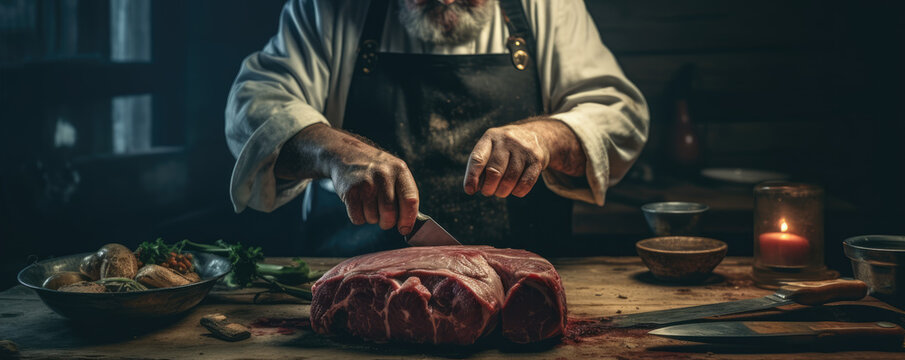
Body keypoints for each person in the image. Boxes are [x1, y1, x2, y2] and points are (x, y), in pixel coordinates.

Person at [225, 0, 649, 256]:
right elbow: (253, 106)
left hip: (516, 289)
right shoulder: (328, 9)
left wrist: (544, 138)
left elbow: (619, 115)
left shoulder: (548, 8)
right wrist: (333, 151)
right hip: (353, 279)